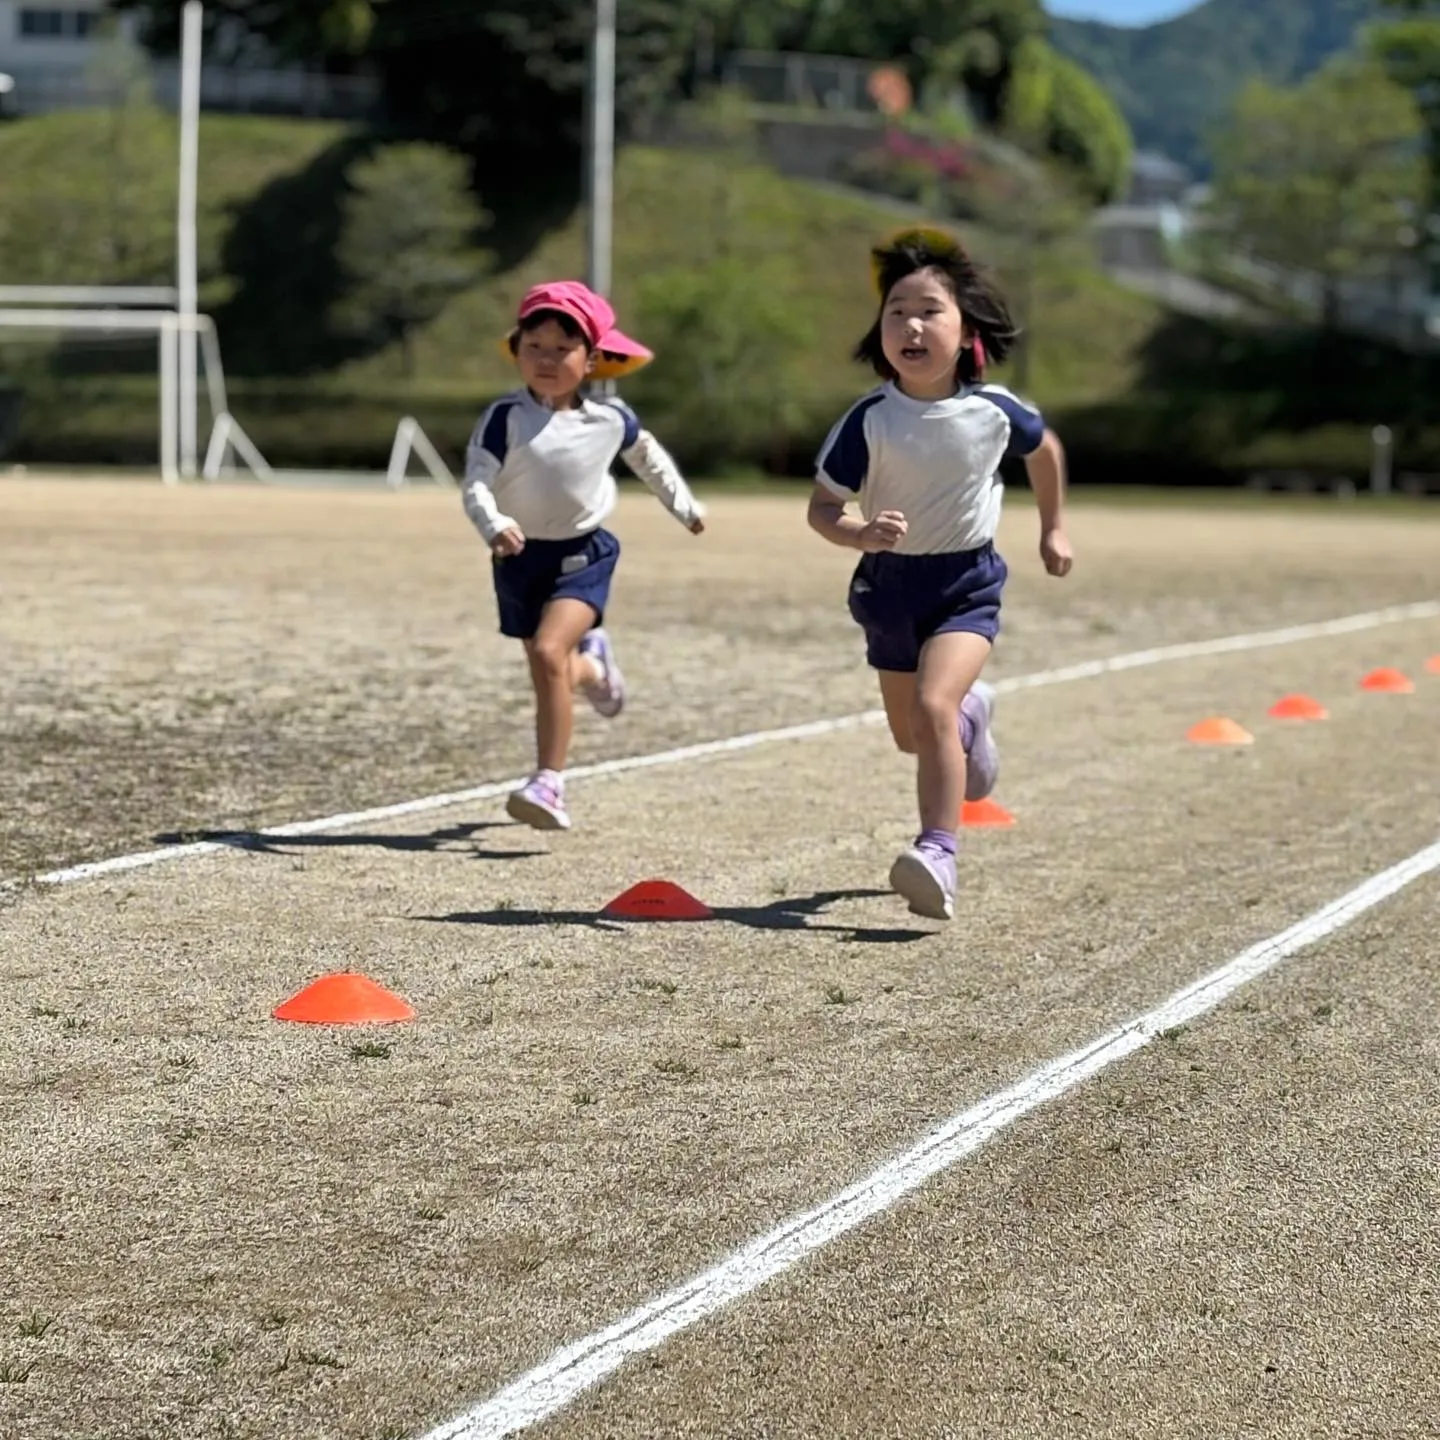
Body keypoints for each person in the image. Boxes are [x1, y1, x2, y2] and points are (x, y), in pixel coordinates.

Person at [807, 227, 1074, 920]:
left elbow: (1044, 452)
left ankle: (939, 854)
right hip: (887, 589)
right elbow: (822, 508)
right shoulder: (867, 419)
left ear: (966, 330)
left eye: (929, 309)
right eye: (896, 311)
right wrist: (858, 532)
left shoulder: (993, 411)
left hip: (965, 586)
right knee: (913, 735)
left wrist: (1052, 527)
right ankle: (974, 718)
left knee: (932, 710)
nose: (911, 325)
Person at [462, 280, 705, 832]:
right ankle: (596, 669)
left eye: (562, 349)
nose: (546, 360)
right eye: (534, 347)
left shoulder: (611, 419)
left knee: (549, 652)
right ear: (516, 348)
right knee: (550, 668)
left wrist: (684, 507)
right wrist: (494, 525)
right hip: (518, 556)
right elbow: (477, 482)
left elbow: (650, 460)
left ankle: (549, 781)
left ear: (591, 359)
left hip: (584, 552)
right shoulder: (504, 418)